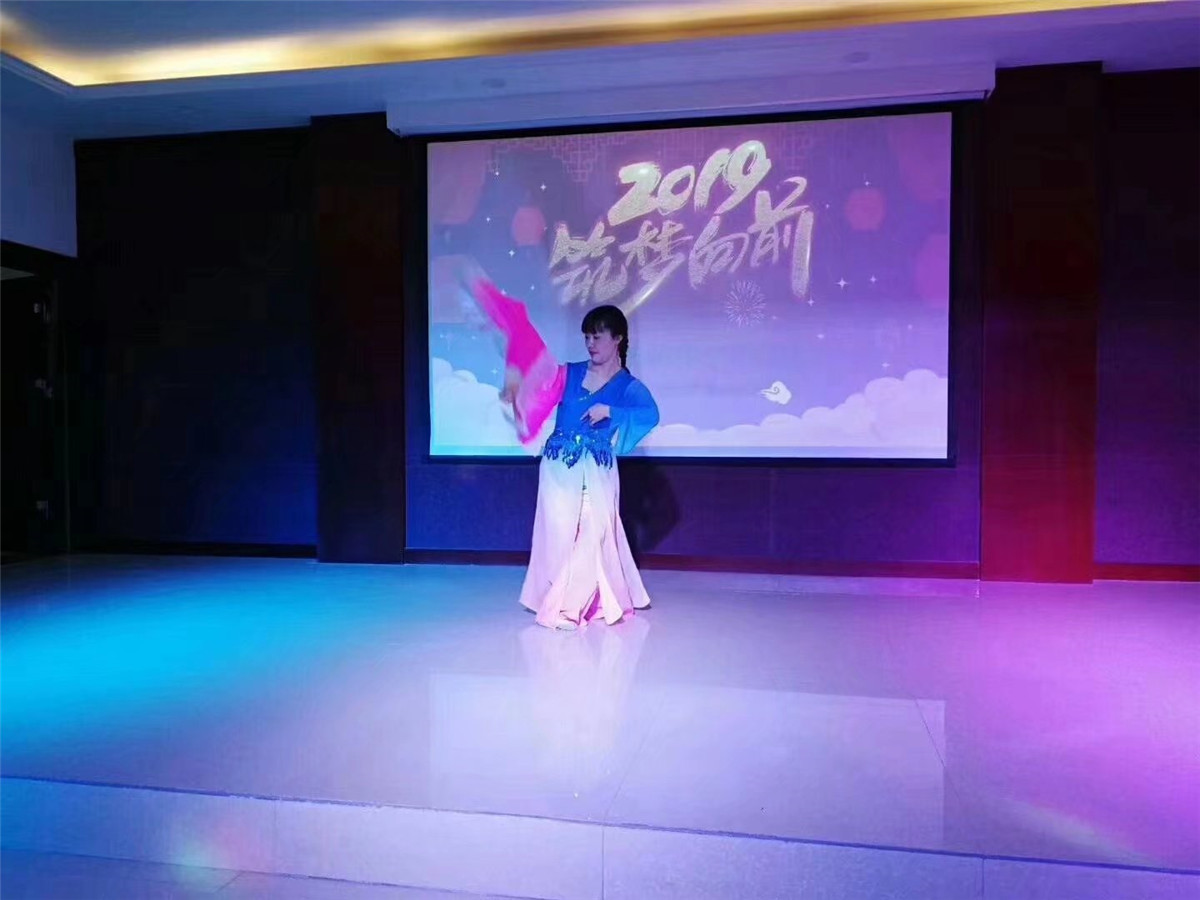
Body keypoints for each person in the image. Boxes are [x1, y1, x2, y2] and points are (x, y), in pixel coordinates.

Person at [467, 277, 659, 630]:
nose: (590, 343)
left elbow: (649, 414)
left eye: (597, 336)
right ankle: (564, 596)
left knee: (595, 533)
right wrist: (517, 391)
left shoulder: (627, 386)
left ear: (617, 338)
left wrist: (611, 412)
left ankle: (568, 608)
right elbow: (538, 391)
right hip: (560, 467)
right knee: (559, 537)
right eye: (587, 337)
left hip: (598, 469)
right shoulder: (569, 373)